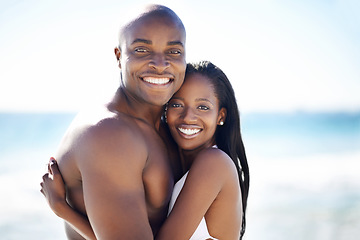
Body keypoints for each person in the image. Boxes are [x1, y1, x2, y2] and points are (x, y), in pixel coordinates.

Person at [41, 61, 250, 240]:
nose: (188, 117)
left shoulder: (214, 163)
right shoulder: (175, 164)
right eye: (177, 105)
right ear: (166, 110)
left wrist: (62, 209)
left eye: (203, 107)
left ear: (221, 116)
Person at [40, 4, 187, 239]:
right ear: (119, 57)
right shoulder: (109, 134)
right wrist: (62, 210)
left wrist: (63, 210)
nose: (160, 64)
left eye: (174, 52)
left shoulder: (170, 125)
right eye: (141, 50)